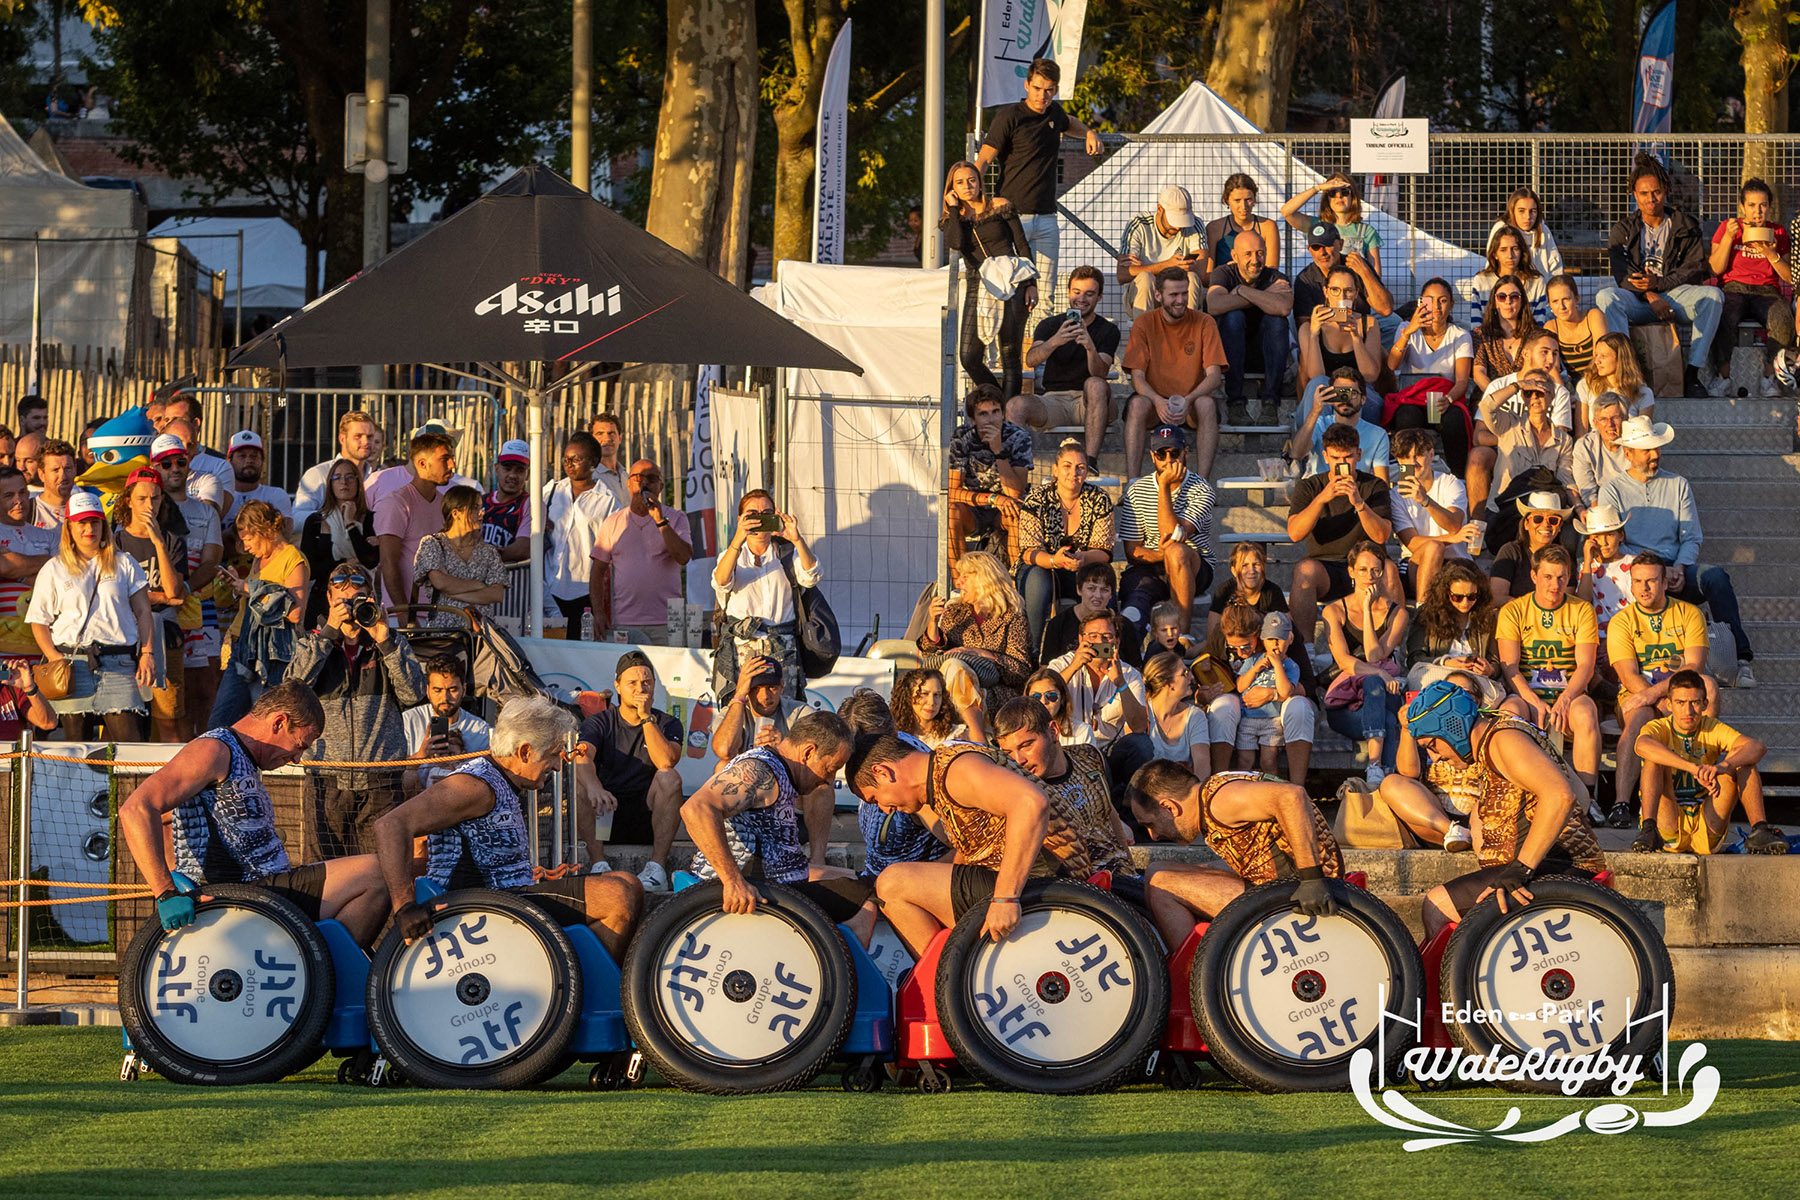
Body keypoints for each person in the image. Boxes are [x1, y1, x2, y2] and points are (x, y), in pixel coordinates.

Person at [373, 695, 644, 959]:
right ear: (525, 751)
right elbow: (390, 825)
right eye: (552, 755)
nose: (557, 766)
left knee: (629, 882)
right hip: (477, 908)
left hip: (506, 898)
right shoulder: (474, 785)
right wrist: (405, 907)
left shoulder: (502, 780)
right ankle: (579, 984)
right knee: (616, 897)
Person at [119, 681, 388, 946]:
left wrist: (177, 870)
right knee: (377, 872)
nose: (297, 759)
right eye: (299, 745)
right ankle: (322, 968)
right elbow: (136, 809)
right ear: (279, 722)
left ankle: (318, 963)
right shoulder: (213, 750)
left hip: (265, 889)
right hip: (243, 896)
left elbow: (168, 819)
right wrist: (167, 891)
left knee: (379, 871)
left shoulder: (243, 756)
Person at [846, 733, 1085, 953]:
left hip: (1045, 880)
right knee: (911, 885)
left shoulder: (956, 771)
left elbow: (1031, 803)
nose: (884, 809)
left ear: (883, 772)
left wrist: (1005, 898)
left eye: (875, 799)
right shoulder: (941, 774)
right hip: (1033, 875)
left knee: (892, 883)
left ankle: (945, 979)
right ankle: (949, 972)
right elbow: (970, 852)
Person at [1405, 681, 1608, 939]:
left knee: (1437, 906)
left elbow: (1561, 796)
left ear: (1451, 726)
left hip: (1559, 866)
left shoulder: (1504, 739)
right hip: (1546, 863)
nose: (1434, 757)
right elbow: (1581, 794)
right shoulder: (1500, 736)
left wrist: (1522, 868)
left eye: (1432, 745)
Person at [685, 710, 874, 943]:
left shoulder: (781, 772)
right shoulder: (760, 772)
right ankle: (844, 969)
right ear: (808, 752)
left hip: (777, 885)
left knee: (866, 883)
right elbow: (696, 808)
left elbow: (785, 864)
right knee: (863, 905)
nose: (828, 779)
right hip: (749, 893)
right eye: (830, 768)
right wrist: (732, 881)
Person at [1598, 415, 1755, 688]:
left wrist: (1680, 567)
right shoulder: (1612, 489)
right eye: (1646, 449)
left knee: (1716, 577)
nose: (1655, 455)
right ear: (1628, 453)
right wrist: (1657, 568)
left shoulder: (1678, 483)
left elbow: (1691, 536)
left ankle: (1741, 660)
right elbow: (1614, 540)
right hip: (1635, 570)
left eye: (1656, 448)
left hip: (1676, 567)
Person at [288, 559, 428, 859]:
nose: (350, 608)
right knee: (324, 872)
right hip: (326, 778)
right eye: (342, 601)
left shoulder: (390, 642)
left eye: (357, 600)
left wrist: (385, 642)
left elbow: (414, 694)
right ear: (328, 599)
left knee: (382, 870)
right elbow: (293, 690)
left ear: (372, 599)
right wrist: (328, 634)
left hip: (381, 780)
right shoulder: (311, 643)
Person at [1125, 760, 1342, 946]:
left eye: (1150, 824)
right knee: (1156, 870)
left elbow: (1292, 796)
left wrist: (1312, 879)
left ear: (1170, 807)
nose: (1153, 835)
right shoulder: (1212, 790)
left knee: (1162, 884)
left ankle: (1194, 974)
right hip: (1276, 881)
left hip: (1299, 892)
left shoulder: (1219, 801)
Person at [973, 56, 1104, 326]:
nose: (1042, 95)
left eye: (1048, 90)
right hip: (1012, 219)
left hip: (1046, 220)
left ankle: (1038, 350)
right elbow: (984, 160)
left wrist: (1090, 132)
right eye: (1037, 88)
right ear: (1026, 85)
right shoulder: (1009, 116)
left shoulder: (1054, 113)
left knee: (1046, 295)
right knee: (1009, 288)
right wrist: (975, 201)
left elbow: (1070, 122)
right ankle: (1002, 350)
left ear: (1055, 90)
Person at [27, 491, 155, 739]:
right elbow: (39, 621)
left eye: (95, 522)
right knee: (76, 747)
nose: (89, 529)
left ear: (103, 525)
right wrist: (54, 658)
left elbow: (143, 611)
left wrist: (148, 653)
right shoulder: (53, 568)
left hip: (119, 662)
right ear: (69, 527)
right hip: (72, 664)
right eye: (82, 522)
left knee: (129, 746)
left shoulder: (125, 563)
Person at [1595, 153, 1723, 397]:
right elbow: (1622, 276)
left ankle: (1693, 374)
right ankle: (1627, 373)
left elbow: (1693, 268)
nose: (1651, 199)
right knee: (1606, 297)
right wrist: (1651, 295)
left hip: (1675, 297)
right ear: (1635, 195)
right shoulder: (1624, 229)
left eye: (1656, 192)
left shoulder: (1686, 225)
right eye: (1644, 193)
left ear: (1665, 191)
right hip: (1640, 300)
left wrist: (1661, 283)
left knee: (1713, 296)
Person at [1607, 552, 1715, 832]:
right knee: (1641, 715)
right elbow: (1628, 676)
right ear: (1631, 585)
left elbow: (1694, 667)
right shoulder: (1621, 621)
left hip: (1679, 694)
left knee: (1709, 687)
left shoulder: (1689, 613)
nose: (1644, 588)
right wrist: (1658, 700)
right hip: (1636, 695)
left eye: (1652, 581)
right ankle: (1621, 803)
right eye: (1638, 581)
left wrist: (1665, 698)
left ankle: (1703, 784)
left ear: (1665, 583)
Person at [1634, 669, 1787, 855]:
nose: (1688, 711)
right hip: (1667, 823)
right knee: (1654, 759)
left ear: (1705, 704)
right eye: (1680, 703)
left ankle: (1760, 830)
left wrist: (1723, 767)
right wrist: (1692, 768)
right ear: (1669, 704)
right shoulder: (1659, 727)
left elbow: (1757, 747)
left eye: (1695, 703)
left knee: (1742, 758)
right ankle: (1649, 829)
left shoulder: (1711, 727)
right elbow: (1641, 745)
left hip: (1707, 824)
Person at [1495, 544, 1602, 801]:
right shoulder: (1514, 611)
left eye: (1562, 577)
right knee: (1509, 713)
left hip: (1569, 695)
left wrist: (1565, 700)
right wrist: (1534, 701)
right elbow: (1510, 667)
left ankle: (1586, 800)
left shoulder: (1581, 610)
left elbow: (1586, 666)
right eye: (1548, 577)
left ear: (1569, 577)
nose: (1555, 584)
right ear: (1534, 576)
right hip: (1527, 696)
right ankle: (1513, 795)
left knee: (1586, 712)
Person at [709, 655, 834, 868]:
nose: (765, 696)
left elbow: (823, 763)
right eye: (756, 688)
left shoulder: (799, 712)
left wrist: (786, 747)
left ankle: (817, 862)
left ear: (782, 686)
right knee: (722, 767)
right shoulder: (733, 712)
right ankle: (727, 856)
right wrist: (738, 696)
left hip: (791, 812)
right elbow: (723, 750)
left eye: (772, 688)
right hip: (747, 813)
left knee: (822, 786)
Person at [572, 650, 683, 887]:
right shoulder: (599, 722)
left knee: (670, 777)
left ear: (654, 686)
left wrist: (646, 718)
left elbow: (666, 762)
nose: (640, 688)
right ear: (618, 686)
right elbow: (582, 756)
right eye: (632, 683)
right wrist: (594, 787)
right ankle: (599, 865)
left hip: (650, 816)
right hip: (605, 815)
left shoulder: (668, 723)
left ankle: (657, 869)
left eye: (646, 682)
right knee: (581, 784)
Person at [994, 696, 1136, 878]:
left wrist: (1130, 866)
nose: (1018, 760)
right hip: (1080, 888)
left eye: (1026, 745)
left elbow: (1109, 814)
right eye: (1008, 753)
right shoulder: (1020, 790)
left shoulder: (1089, 756)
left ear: (1053, 731)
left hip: (1124, 876)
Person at [1285, 422, 1397, 643]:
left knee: (1390, 569)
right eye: (1336, 458)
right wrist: (1322, 499)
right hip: (1326, 568)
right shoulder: (1310, 487)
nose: (1342, 464)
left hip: (1367, 567)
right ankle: (1306, 648)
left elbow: (1382, 535)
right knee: (1304, 570)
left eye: (1348, 457)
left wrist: (1359, 503)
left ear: (1358, 455)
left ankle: (1392, 646)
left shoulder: (1374, 486)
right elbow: (1295, 534)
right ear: (1325, 456)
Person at [149, 435, 225, 735]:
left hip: (199, 606)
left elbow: (212, 561)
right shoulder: (144, 510)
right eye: (165, 463)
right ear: (154, 467)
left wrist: (185, 591)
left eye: (180, 461)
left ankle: (205, 747)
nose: (175, 468)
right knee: (166, 694)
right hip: (155, 610)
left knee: (204, 689)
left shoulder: (206, 511)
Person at [712, 489, 819, 701]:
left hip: (782, 646)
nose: (759, 520)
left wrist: (797, 539)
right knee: (741, 708)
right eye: (752, 514)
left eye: (766, 514)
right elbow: (721, 582)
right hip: (742, 648)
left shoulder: (787, 553)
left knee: (784, 709)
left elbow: (811, 576)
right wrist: (738, 539)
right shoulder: (731, 555)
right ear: (740, 519)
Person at [941, 160, 1035, 400]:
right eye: (960, 182)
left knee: (1010, 354)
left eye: (971, 180)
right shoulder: (952, 219)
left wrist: (1031, 284)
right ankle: (999, 402)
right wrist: (954, 209)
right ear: (952, 188)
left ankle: (1009, 413)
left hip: (1013, 280)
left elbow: (1022, 244)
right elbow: (955, 243)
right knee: (969, 356)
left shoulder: (1000, 206)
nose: (967, 186)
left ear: (980, 182)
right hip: (978, 282)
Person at [209, 500, 307, 728]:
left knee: (264, 725)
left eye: (248, 539)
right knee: (220, 723)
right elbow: (257, 599)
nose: (245, 547)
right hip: (241, 647)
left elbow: (295, 613)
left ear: (267, 530)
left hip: (270, 656)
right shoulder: (259, 558)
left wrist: (250, 589)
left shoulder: (293, 559)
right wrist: (238, 585)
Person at [1121, 268, 1227, 479]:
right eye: (1174, 295)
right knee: (1137, 404)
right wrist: (1157, 400)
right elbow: (1137, 377)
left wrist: (1189, 399)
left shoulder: (1205, 322)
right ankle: (1132, 482)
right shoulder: (1144, 323)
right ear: (1158, 295)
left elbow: (1214, 375)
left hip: (1190, 402)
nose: (1180, 300)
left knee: (1206, 404)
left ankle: (1203, 483)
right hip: (1155, 402)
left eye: (1184, 293)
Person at [1013, 439, 1114, 659]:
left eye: (1080, 467)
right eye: (1067, 466)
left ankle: (1101, 650)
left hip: (1081, 566)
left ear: (1086, 472)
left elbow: (1104, 551)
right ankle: (1033, 652)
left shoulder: (1099, 499)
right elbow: (1028, 551)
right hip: (1041, 566)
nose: (1073, 473)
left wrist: (1082, 558)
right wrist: (1053, 561)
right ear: (1055, 470)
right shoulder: (1037, 499)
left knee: (1101, 581)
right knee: (1038, 579)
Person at [1321, 539, 1408, 785]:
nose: (1369, 576)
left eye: (1375, 570)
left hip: (1382, 695)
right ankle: (1385, 778)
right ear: (1351, 572)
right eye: (1362, 570)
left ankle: (1374, 767)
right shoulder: (1334, 611)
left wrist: (1367, 610)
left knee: (1373, 684)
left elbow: (1374, 656)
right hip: (1347, 702)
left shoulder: (1398, 614)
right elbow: (1344, 661)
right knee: (1387, 718)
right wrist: (1380, 674)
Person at [1115, 424, 1215, 637]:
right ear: (1153, 456)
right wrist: (1162, 555)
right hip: (1150, 566)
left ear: (1185, 452)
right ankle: (1128, 649)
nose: (1168, 460)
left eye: (1174, 453)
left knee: (1176, 552)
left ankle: (1181, 637)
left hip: (1193, 565)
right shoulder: (1136, 490)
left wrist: (1164, 488)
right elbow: (1132, 552)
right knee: (1134, 609)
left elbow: (1170, 535)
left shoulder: (1202, 489)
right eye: (1162, 454)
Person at [1199, 602, 1315, 782]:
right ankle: (1217, 782)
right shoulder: (1220, 636)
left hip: (1278, 705)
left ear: (1259, 635)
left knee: (1299, 706)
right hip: (1242, 704)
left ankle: (1297, 787)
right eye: (1233, 648)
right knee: (1224, 706)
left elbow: (1308, 684)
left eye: (1246, 646)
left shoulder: (1278, 632)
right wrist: (1203, 695)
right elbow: (1205, 681)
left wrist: (1273, 694)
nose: (1240, 653)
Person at [113, 468, 188, 743]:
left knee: (168, 715)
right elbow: (115, 595)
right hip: (123, 635)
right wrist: (161, 598)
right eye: (142, 498)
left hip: (165, 633)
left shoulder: (171, 540)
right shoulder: (116, 542)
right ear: (128, 501)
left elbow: (174, 589)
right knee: (121, 717)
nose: (149, 505)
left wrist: (157, 542)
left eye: (155, 498)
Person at [1015, 267, 1120, 462]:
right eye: (1077, 292)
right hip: (1054, 400)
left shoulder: (1108, 329)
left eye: (1089, 294)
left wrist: (1090, 347)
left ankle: (1091, 461)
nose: (1081, 299)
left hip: (1089, 401)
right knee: (1016, 405)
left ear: (1099, 297)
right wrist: (1055, 341)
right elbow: (1030, 360)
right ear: (1068, 292)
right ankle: (1017, 467)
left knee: (1095, 384)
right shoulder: (1050, 325)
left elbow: (1100, 373)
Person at [837, 689, 944, 879]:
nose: (859, 760)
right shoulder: (874, 766)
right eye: (853, 751)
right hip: (875, 876)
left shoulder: (912, 779)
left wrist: (915, 883)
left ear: (893, 733)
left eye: (867, 750)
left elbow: (962, 850)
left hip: (907, 885)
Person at [590, 458, 693, 645]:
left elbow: (683, 557)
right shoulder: (613, 522)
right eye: (638, 477)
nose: (644, 482)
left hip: (667, 623)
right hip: (625, 622)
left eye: (651, 478)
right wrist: (598, 613)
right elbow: (597, 573)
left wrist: (660, 520)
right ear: (628, 484)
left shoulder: (676, 518)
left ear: (660, 486)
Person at [1707, 177, 1792, 396]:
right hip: (1734, 287)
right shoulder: (1728, 227)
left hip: (1766, 290)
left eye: (1763, 205)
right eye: (1752, 205)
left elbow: (1790, 276)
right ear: (1743, 207)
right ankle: (1723, 377)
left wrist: (1771, 254)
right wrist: (1728, 237)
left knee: (1782, 318)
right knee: (1723, 314)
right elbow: (1715, 269)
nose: (1758, 211)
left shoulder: (1778, 232)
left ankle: (1770, 378)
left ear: (1769, 207)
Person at [1475, 370, 1577, 546]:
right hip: (1504, 512)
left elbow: (1566, 481)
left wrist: (1580, 508)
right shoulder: (1509, 424)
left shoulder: (1564, 440)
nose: (1535, 397)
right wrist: (1518, 386)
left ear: (1552, 396)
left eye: (1540, 391)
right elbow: (1486, 407)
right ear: (1522, 397)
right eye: (1529, 392)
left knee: (1570, 536)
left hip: (1544, 515)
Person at [917, 549, 1032, 695]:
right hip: (953, 688)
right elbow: (931, 658)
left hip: (993, 692)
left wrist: (980, 654)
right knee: (954, 667)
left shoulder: (1013, 617)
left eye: (965, 577)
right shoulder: (955, 612)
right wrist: (933, 622)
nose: (958, 582)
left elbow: (1020, 672)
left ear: (984, 580)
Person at [1205, 230, 1293, 419]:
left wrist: (1242, 291)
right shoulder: (1223, 273)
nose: (1255, 260)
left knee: (1277, 321)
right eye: (1248, 254)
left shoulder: (1275, 277)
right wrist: (1264, 296)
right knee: (1233, 317)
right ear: (1234, 256)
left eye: (1260, 253)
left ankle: (1271, 402)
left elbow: (1284, 307)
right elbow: (1214, 305)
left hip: (1265, 354)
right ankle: (1235, 402)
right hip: (1230, 353)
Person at [947, 384, 1032, 564]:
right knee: (952, 512)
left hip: (1007, 507)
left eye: (995, 412)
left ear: (1003, 414)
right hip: (976, 506)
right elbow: (953, 491)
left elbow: (1016, 492)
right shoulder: (962, 437)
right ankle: (959, 578)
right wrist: (993, 499)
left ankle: (1016, 577)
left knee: (1016, 512)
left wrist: (998, 451)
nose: (991, 419)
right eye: (983, 414)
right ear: (973, 419)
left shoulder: (1018, 437)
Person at [1296, 257, 1387, 424]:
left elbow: (1370, 376)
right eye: (1335, 290)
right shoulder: (1308, 328)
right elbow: (1316, 376)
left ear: (1356, 294)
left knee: (1356, 392)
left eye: (1348, 291)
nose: (1341, 296)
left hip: (1359, 397)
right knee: (1319, 385)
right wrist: (1314, 335)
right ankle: (1318, 438)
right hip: (1324, 398)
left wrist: (1356, 338)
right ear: (1326, 292)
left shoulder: (1368, 324)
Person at [544, 432, 618, 637]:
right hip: (549, 587)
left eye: (576, 459)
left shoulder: (608, 500)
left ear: (593, 462)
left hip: (585, 592)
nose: (569, 465)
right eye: (566, 459)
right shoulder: (551, 492)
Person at [373, 429, 455, 610]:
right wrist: (403, 611)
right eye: (445, 459)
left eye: (452, 458)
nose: (452, 465)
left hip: (442, 612)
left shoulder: (445, 504)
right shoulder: (396, 503)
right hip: (407, 614)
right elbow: (388, 563)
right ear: (422, 463)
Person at [1046, 609, 1149, 749]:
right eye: (1093, 636)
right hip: (1069, 748)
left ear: (1117, 642)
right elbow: (1044, 697)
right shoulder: (1062, 664)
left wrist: (1121, 684)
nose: (1100, 641)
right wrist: (1073, 667)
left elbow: (1140, 727)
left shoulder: (1130, 674)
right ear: (1081, 639)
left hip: (1110, 749)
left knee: (1141, 743)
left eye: (1107, 636)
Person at [1388, 427, 1469, 601]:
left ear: (1431, 454)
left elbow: (1454, 524)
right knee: (1433, 548)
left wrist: (1425, 501)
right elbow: (1413, 544)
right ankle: (1423, 609)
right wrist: (1451, 539)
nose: (1413, 463)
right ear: (1399, 461)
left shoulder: (1450, 483)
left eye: (1418, 455)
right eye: (1406, 457)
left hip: (1456, 561)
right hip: (1417, 561)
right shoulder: (1396, 495)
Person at [1406, 560, 1503, 705]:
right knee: (1420, 675)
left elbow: (1496, 663)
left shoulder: (1487, 617)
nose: (1465, 603)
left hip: (1473, 680)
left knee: (1494, 695)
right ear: (1446, 593)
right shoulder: (1428, 614)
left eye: (1471, 597)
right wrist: (1445, 662)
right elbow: (1414, 659)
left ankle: (1454, 701)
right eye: (1458, 597)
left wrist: (1489, 670)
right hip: (1439, 676)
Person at [299, 457, 380, 626]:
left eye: (350, 477)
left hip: (362, 600)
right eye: (337, 477)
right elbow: (310, 569)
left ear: (358, 482)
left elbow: (370, 560)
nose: (344, 482)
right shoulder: (315, 522)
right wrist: (345, 563)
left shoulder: (371, 519)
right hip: (323, 600)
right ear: (330, 484)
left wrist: (350, 523)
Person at [412, 485, 506, 626]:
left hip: (480, 632)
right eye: (474, 508)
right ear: (456, 513)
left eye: (481, 508)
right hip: (444, 632)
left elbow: (496, 594)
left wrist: (454, 594)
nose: (481, 513)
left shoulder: (488, 552)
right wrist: (479, 585)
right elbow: (440, 582)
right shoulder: (432, 543)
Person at [1109, 649, 1209, 781]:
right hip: (1143, 788)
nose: (1191, 677)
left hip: (1181, 789)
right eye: (1185, 673)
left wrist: (1196, 791)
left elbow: (1202, 764)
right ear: (1168, 683)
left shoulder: (1195, 716)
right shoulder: (1140, 713)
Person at [400, 654, 491, 797]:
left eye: (452, 690)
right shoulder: (408, 721)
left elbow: (489, 780)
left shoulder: (481, 730)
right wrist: (419, 756)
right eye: (437, 690)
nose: (445, 698)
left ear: (464, 689)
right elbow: (387, 769)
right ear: (428, 690)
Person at [1118, 185, 1207, 313]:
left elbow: (1201, 273)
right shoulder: (1139, 225)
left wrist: (1144, 268)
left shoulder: (1195, 224)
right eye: (1174, 220)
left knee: (1192, 277)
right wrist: (1167, 265)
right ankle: (1144, 325)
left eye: (1183, 221)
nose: (1178, 227)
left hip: (1178, 292)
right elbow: (1122, 274)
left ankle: (1188, 324)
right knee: (1145, 278)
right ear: (1159, 209)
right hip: (1148, 295)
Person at [1292, 220, 1394, 333]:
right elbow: (1304, 326)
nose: (1322, 252)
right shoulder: (1305, 279)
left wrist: (1365, 272)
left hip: (1360, 332)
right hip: (1325, 337)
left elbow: (1385, 309)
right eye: (1316, 247)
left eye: (1328, 245)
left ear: (1340, 244)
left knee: (1395, 325)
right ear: (1309, 249)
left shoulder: (1358, 266)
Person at [1294, 366, 1391, 480]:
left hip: (1358, 488)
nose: (1345, 399)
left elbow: (1382, 482)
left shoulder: (1377, 435)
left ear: (1363, 399)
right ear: (1331, 396)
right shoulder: (1319, 424)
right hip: (1322, 488)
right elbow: (1297, 454)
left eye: (1351, 393)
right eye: (1339, 393)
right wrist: (1315, 411)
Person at [0, 466, 58, 656]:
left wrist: (18, 574)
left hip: (43, 647)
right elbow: (5, 566)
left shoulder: (49, 535)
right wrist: (47, 562)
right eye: (9, 495)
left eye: (23, 492)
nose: (19, 500)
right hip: (5, 647)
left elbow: (59, 576)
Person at [292, 411, 380, 528]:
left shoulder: (377, 477)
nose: (365, 442)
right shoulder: (319, 473)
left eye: (370, 436)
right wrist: (335, 518)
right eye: (358, 436)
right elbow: (297, 518)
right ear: (342, 439)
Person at [1282, 173, 1382, 273]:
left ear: (1353, 196)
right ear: (1327, 198)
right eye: (1332, 192)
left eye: (1344, 191)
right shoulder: (1316, 225)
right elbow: (1287, 212)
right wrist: (1318, 188)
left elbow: (1375, 275)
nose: (1339, 196)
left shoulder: (1366, 231)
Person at [1463, 225, 1548, 329]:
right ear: (1495, 254)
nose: (1510, 255)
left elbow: (1538, 324)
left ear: (1522, 251)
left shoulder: (1536, 281)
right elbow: (1476, 324)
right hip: (1490, 337)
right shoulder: (1482, 280)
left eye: (1515, 249)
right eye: (1503, 250)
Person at [1040, 561, 1121, 666]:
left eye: (1104, 590)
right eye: (1091, 588)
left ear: (1111, 594)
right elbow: (1046, 669)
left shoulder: (1123, 625)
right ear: (1079, 589)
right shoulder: (1058, 624)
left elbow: (1136, 669)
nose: (1098, 595)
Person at [1574, 331, 1655, 434]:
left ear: (1620, 358)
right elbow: (1581, 433)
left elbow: (1644, 436)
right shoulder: (1586, 385)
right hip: (1594, 443)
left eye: (1603, 356)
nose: (1597, 361)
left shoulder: (1643, 393)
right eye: (1596, 355)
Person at [1469, 271, 1538, 393]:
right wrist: (1499, 397)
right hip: (1490, 397)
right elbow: (1479, 374)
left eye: (1514, 296)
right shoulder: (1480, 335)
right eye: (1502, 297)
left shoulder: (1536, 335)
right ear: (1495, 301)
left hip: (1528, 398)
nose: (1508, 301)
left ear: (1522, 301)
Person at [1206, 542, 1285, 641]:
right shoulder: (1224, 591)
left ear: (1263, 567)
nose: (1252, 571)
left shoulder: (1272, 592)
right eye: (1244, 565)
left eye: (1256, 564)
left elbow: (1289, 629)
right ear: (1234, 570)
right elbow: (1212, 635)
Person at [1206, 172, 1283, 272]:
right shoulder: (1215, 228)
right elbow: (1208, 274)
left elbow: (1272, 270)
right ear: (1227, 200)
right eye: (1237, 200)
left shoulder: (1268, 227)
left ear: (1254, 199)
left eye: (1248, 199)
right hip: (1224, 280)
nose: (1243, 206)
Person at [1576, 502, 1635, 630]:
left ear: (1621, 536)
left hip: (1629, 630)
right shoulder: (1586, 568)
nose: (1604, 542)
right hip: (1599, 633)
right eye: (1597, 536)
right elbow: (1584, 599)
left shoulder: (1634, 563)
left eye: (1610, 535)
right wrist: (1587, 561)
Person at [891, 666, 981, 748]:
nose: (932, 702)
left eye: (937, 695)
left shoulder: (956, 736)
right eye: (924, 694)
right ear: (907, 696)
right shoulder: (894, 734)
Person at [1573, 393, 1634, 512]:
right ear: (1595, 423)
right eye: (1603, 419)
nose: (1610, 424)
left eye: (1615, 417)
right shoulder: (1585, 446)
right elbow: (1587, 490)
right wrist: (1602, 516)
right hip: (1599, 507)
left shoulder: (1635, 444)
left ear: (1625, 419)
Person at [219, 431, 292, 529]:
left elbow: (285, 533)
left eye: (254, 456)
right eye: (242, 456)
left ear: (262, 461)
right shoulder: (219, 496)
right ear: (229, 461)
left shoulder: (276, 495)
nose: (249, 461)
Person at [1545, 272, 1607, 382]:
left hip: (1600, 380)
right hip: (1571, 387)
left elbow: (1601, 357)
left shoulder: (1593, 317)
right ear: (1550, 304)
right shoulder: (1551, 328)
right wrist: (1563, 392)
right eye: (1555, 301)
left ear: (1577, 299)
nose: (1561, 307)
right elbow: (1553, 368)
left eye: (1566, 299)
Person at [1490, 186, 1563, 280]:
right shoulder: (1501, 228)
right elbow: (1492, 266)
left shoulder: (1543, 230)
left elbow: (1556, 266)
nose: (1528, 216)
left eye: (1533, 211)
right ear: (1512, 211)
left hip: (1540, 286)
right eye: (1521, 211)